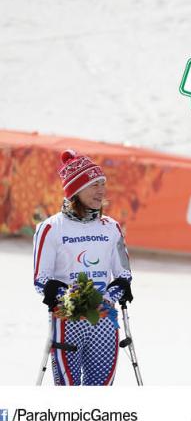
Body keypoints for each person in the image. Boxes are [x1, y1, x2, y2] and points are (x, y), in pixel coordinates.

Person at [32, 150, 134, 386]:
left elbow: (124, 275)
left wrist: (108, 298)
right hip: (68, 320)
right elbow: (41, 280)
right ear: (75, 190)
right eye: (93, 185)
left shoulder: (111, 228)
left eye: (102, 184)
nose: (101, 190)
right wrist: (74, 299)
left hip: (104, 321)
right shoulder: (50, 228)